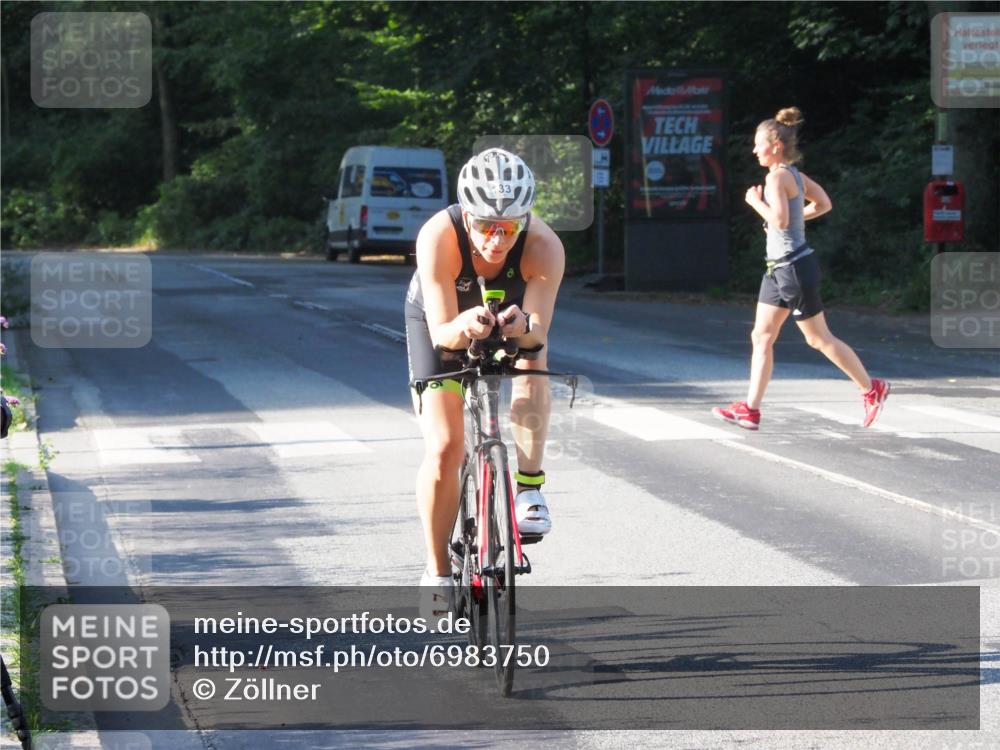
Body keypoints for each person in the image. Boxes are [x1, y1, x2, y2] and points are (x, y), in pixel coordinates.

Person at [404, 148, 565, 620]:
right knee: (446, 449)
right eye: (486, 227)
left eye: (509, 227)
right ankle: (436, 572)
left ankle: (530, 487)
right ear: (467, 216)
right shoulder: (438, 236)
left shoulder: (545, 246)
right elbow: (441, 335)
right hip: (442, 320)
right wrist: (467, 324)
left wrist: (519, 326)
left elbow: (538, 331)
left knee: (535, 360)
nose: (497, 240)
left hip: (511, 313)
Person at [713, 107, 890, 431]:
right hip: (778, 269)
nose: (754, 150)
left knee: (818, 339)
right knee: (762, 335)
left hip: (793, 267)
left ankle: (871, 387)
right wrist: (793, 220)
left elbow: (779, 220)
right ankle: (750, 410)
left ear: (776, 145)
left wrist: (755, 203)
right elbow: (823, 203)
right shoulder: (794, 174)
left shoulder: (776, 177)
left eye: (758, 144)